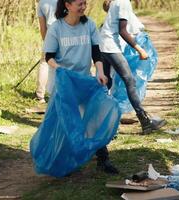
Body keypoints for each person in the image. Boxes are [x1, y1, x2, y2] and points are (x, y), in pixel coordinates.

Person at [44, 0, 118, 174]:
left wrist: (100, 72)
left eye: (84, 3)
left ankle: (103, 159)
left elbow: (96, 52)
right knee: (66, 123)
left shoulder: (89, 25)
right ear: (67, 6)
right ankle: (64, 160)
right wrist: (60, 70)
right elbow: (49, 57)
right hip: (64, 83)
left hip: (84, 81)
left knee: (95, 118)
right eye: (79, 4)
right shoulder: (56, 28)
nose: (83, 7)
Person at [99, 0, 166, 134]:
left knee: (106, 83)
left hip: (103, 43)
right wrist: (139, 49)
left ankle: (104, 123)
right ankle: (145, 122)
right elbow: (122, 30)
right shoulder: (123, 2)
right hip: (110, 46)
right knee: (129, 80)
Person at [36, 0, 58, 103]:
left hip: (50, 35)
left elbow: (42, 27)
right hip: (65, 33)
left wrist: (46, 42)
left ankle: (40, 95)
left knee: (44, 63)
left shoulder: (41, 3)